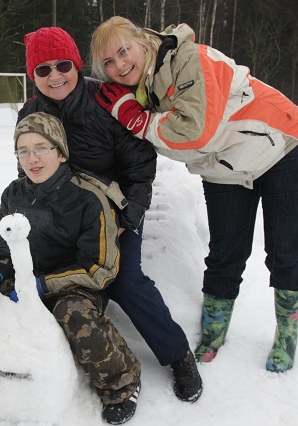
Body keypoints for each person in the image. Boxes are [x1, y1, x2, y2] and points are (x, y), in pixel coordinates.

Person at [90, 16, 298, 373]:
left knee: (285, 252)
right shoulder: (138, 91)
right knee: (225, 254)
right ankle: (214, 331)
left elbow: (196, 133)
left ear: (142, 41)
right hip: (225, 166)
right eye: (108, 61)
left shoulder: (188, 59)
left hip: (284, 147)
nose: (119, 65)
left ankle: (286, 336)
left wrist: (138, 119)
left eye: (124, 51)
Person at [19, 27, 202, 402]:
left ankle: (178, 355)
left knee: (124, 279)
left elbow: (140, 169)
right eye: (43, 69)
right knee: (34, 272)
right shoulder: (30, 112)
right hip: (63, 213)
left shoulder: (108, 100)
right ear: (32, 75)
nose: (55, 76)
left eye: (63, 65)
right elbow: (28, 169)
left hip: (115, 208)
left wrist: (127, 219)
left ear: (77, 65)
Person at [0, 112, 142, 424]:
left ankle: (120, 383)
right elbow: (3, 247)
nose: (32, 158)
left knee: (74, 316)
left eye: (42, 148)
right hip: (22, 279)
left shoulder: (90, 199)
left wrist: (42, 285)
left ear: (61, 152)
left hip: (73, 285)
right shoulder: (13, 193)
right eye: (23, 151)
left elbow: (100, 269)